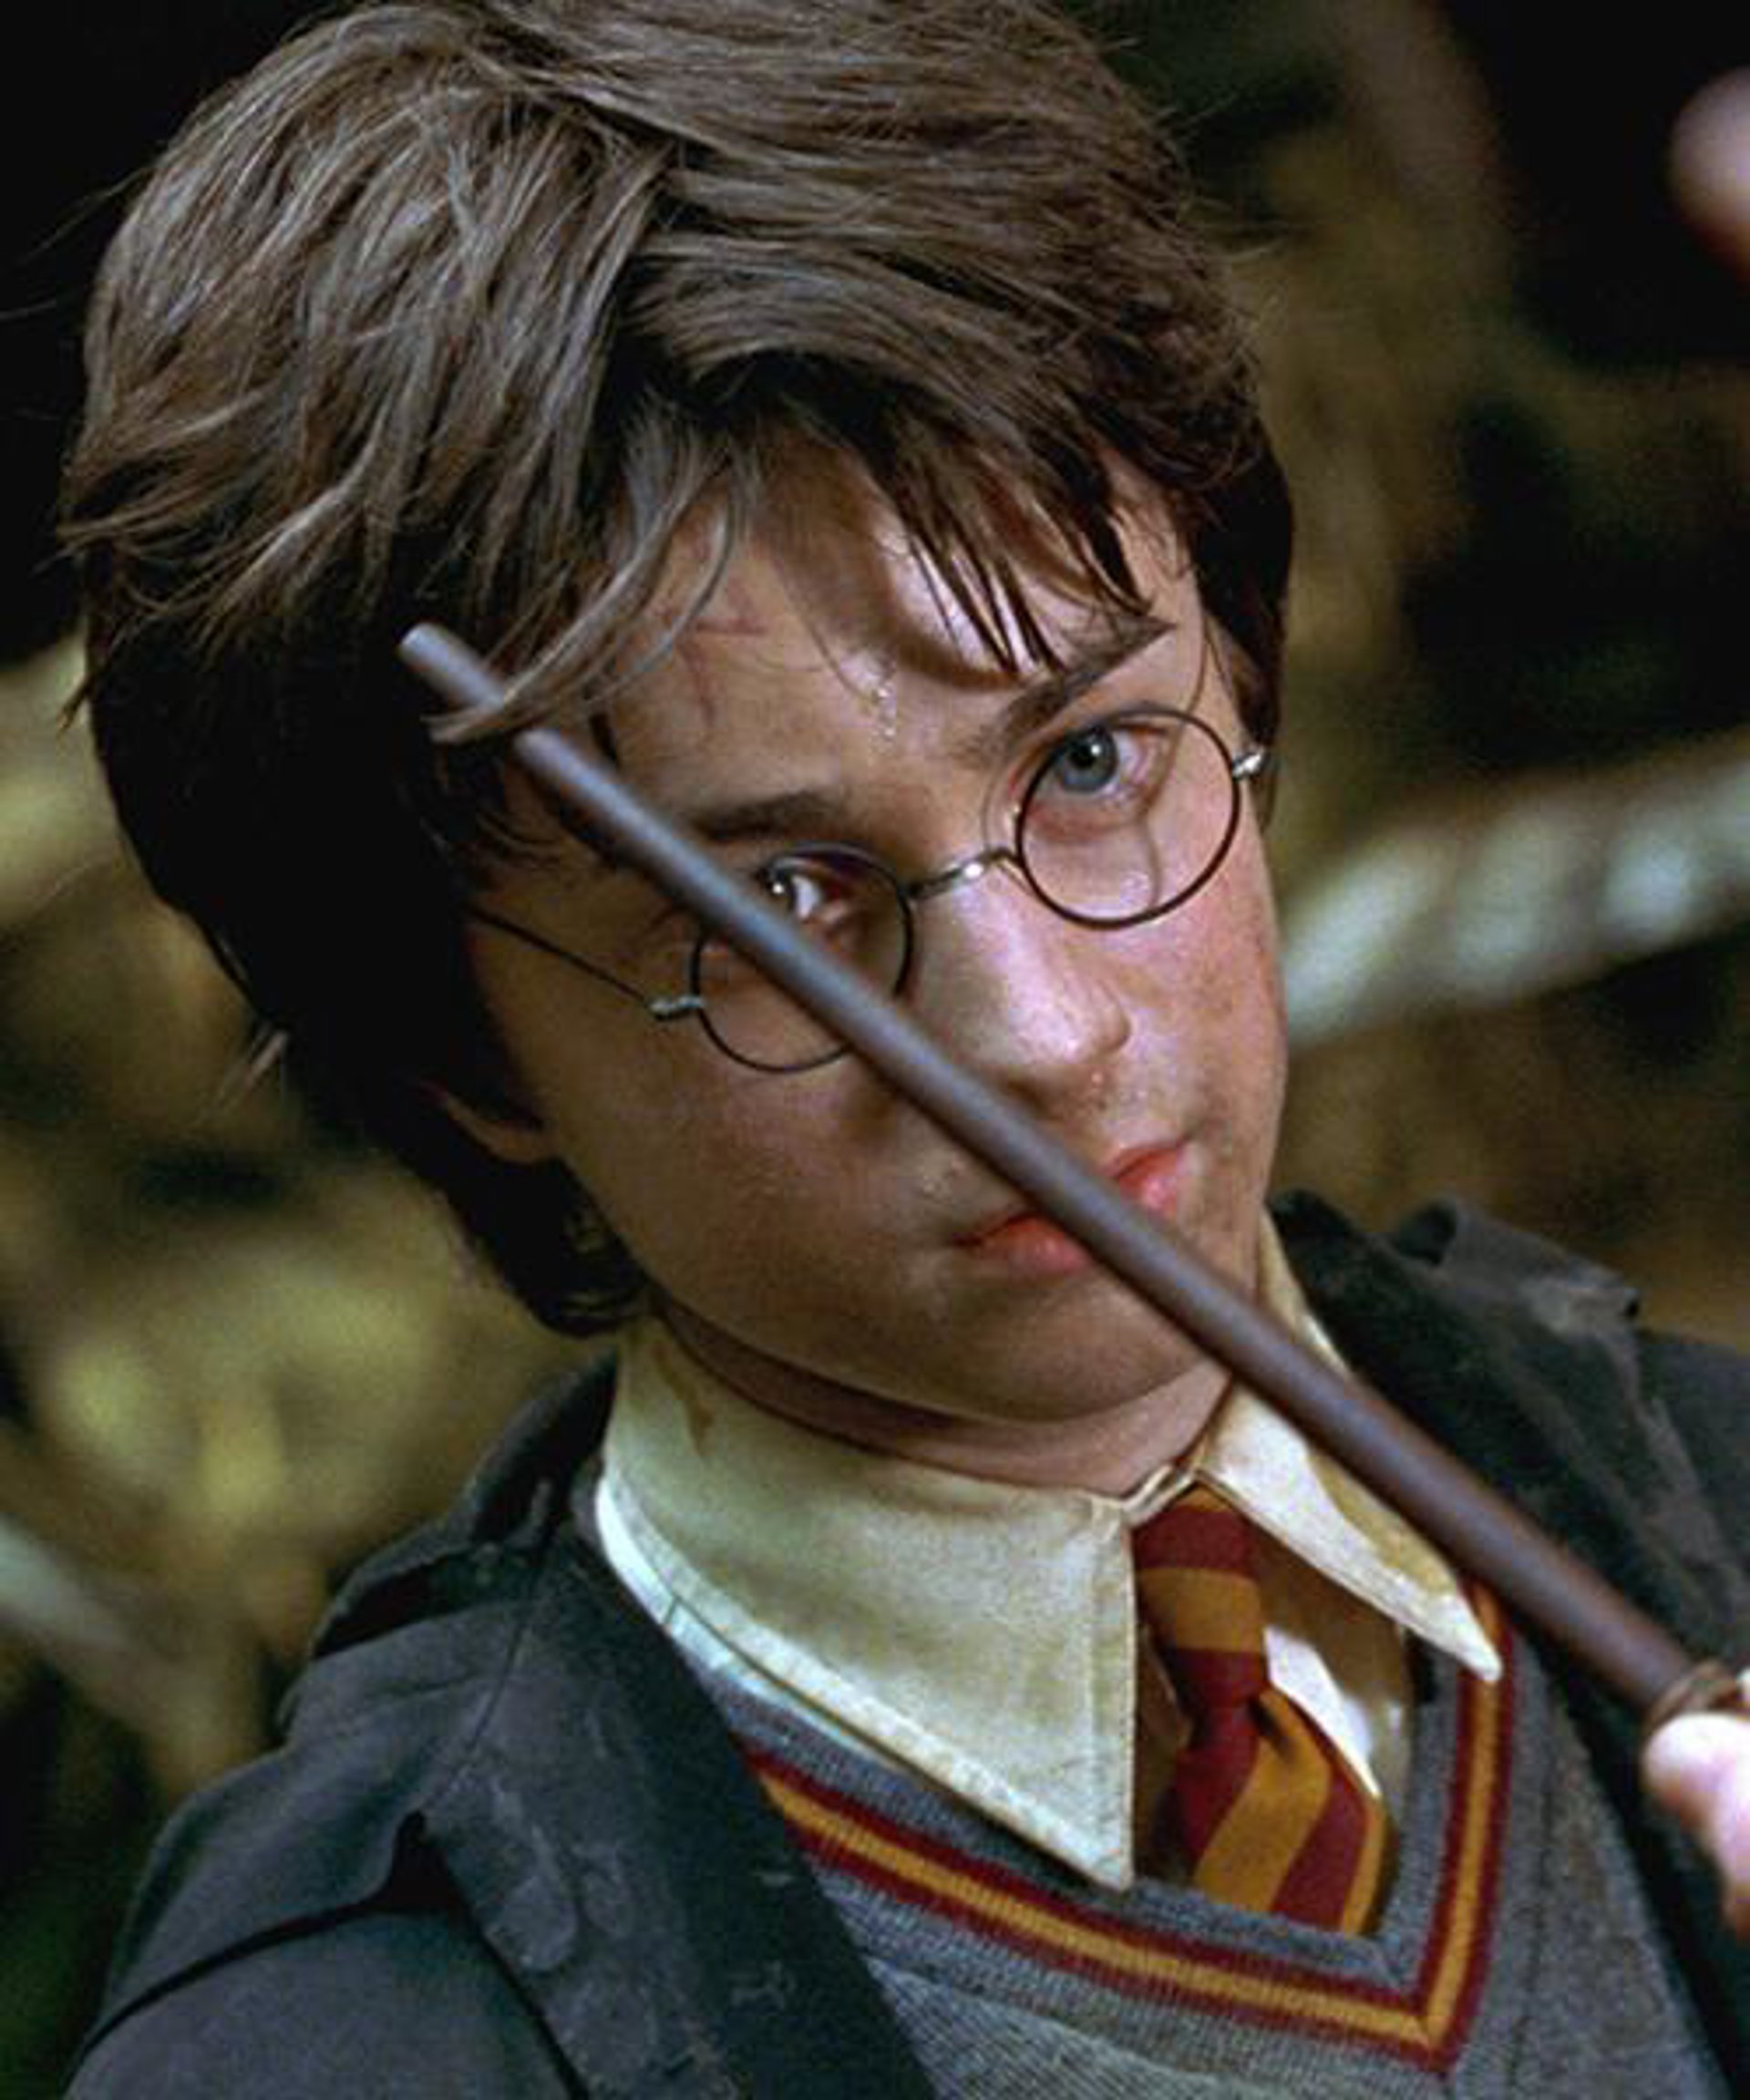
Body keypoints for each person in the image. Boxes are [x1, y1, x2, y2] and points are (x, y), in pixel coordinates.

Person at [59, 2, 1745, 2092]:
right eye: (779, 904)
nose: (1041, 1033)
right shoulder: (349, 2039)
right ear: (454, 1052)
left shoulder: (1712, 1508)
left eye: (1094, 759)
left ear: (1246, 682)